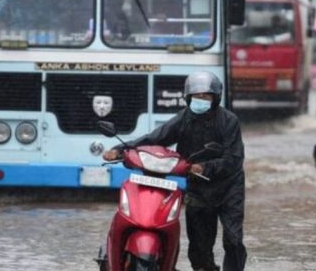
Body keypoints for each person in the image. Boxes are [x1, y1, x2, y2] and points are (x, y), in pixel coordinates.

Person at [103, 71, 247, 271]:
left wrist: (205, 167)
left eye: (206, 97)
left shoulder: (229, 120)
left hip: (228, 188)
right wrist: (121, 149)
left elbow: (234, 159)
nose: (201, 101)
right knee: (199, 249)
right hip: (198, 188)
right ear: (188, 98)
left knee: (233, 240)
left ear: (216, 98)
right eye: (196, 97)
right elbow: (154, 138)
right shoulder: (184, 118)